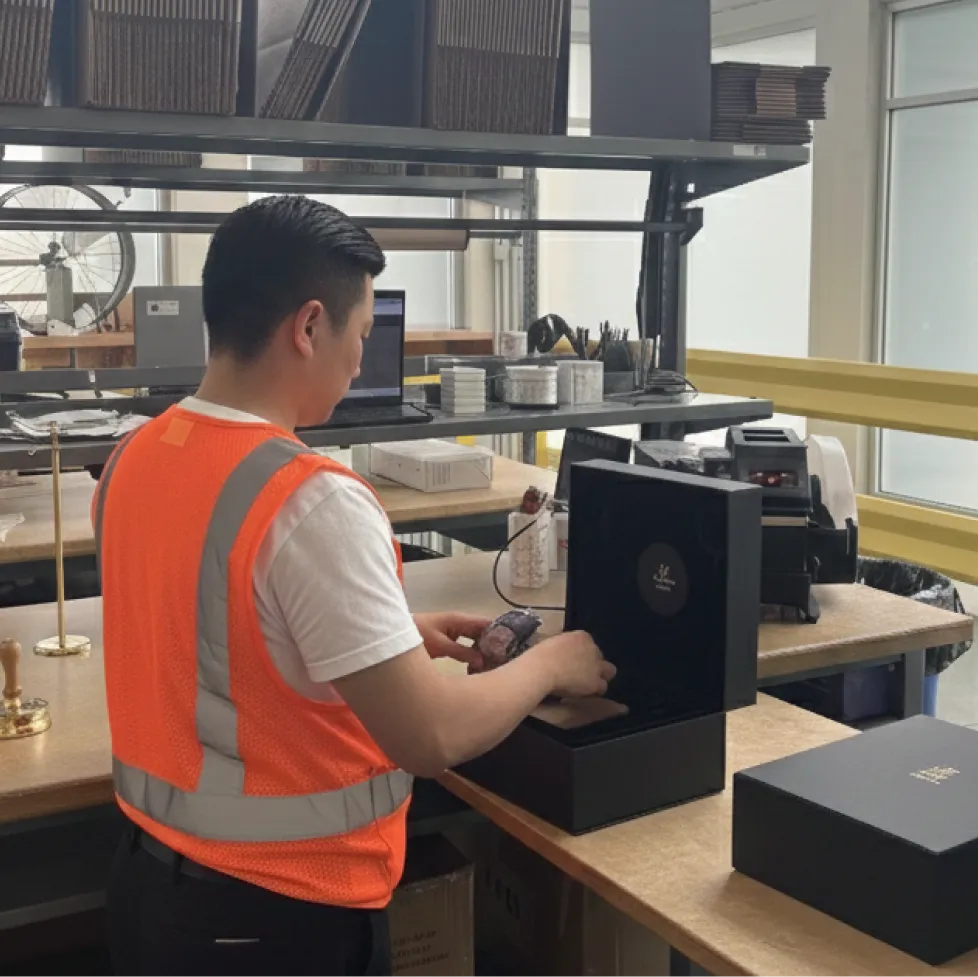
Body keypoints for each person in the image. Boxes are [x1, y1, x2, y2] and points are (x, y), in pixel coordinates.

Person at [96, 195, 613, 977]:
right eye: (363, 335)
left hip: (148, 892)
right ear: (309, 327)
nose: (361, 362)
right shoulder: (309, 499)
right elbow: (429, 736)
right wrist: (552, 661)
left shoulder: (132, 458)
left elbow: (206, 626)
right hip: (276, 917)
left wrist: (381, 639)